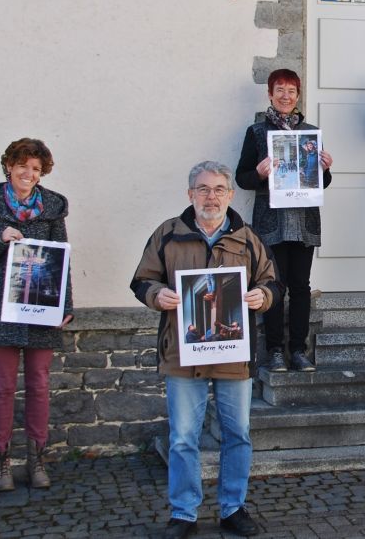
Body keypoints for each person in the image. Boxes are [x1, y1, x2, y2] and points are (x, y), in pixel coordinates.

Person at [130, 161, 282, 539]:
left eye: (218, 189)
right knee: (183, 437)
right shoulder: (168, 234)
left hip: (233, 356)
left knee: (238, 435)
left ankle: (233, 508)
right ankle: (183, 513)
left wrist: (261, 296)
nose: (210, 196)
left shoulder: (247, 238)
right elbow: (141, 280)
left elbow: (273, 284)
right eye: (202, 189)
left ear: (229, 195)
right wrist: (156, 294)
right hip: (183, 356)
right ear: (190, 194)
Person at [0, 138, 74, 493]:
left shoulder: (54, 207)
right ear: (9, 167)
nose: (29, 174)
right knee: (2, 388)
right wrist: (1, 238)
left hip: (43, 307)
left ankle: (37, 460)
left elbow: (62, 258)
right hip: (2, 310)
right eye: (23, 166)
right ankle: (2, 464)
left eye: (36, 169)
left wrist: (66, 306)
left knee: (39, 386)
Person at [236, 69, 332, 373]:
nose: (286, 96)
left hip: (304, 222)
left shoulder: (310, 131)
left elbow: (320, 182)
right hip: (271, 223)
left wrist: (326, 169)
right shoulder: (256, 133)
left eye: (291, 90)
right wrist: (260, 173)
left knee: (300, 287)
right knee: (273, 286)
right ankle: (275, 351)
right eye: (280, 90)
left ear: (298, 95)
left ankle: (299, 351)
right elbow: (242, 178)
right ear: (270, 94)